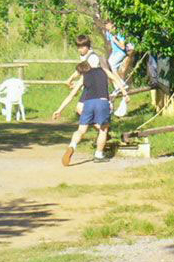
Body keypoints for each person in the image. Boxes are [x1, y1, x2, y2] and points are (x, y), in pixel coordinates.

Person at [53, 35, 129, 166]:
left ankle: (72, 145)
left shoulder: (85, 76)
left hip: (88, 102)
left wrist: (59, 110)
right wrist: (124, 93)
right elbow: (116, 78)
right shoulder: (104, 71)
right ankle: (98, 155)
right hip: (102, 102)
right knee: (103, 130)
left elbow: (71, 95)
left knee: (81, 130)